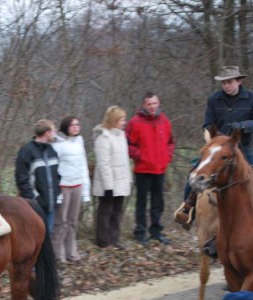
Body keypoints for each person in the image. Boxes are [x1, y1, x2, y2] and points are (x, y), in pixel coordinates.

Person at [175, 66, 253, 230]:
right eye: (224, 83)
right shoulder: (214, 99)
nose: (226, 86)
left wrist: (242, 126)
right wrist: (214, 138)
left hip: (242, 148)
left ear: (238, 81)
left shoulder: (251, 98)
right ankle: (188, 210)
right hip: (218, 147)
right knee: (195, 174)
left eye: (229, 82)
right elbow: (207, 124)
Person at [125, 92, 175, 245]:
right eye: (149, 104)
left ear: (158, 103)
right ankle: (140, 232)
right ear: (144, 105)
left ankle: (156, 231)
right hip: (143, 169)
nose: (152, 106)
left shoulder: (164, 120)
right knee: (141, 203)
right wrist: (140, 156)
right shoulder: (135, 122)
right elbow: (127, 144)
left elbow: (171, 141)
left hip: (160, 168)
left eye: (154, 103)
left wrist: (167, 156)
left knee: (158, 202)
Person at [91, 106, 132, 249]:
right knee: (105, 212)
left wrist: (127, 180)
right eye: (122, 119)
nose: (124, 122)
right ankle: (103, 241)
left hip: (120, 182)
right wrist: (109, 186)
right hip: (108, 183)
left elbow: (124, 161)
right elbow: (104, 164)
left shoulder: (120, 135)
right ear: (114, 120)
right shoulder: (103, 137)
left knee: (117, 211)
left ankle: (115, 240)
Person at [51, 116, 90, 262]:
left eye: (77, 124)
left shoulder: (79, 142)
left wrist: (85, 191)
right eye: (72, 125)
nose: (76, 127)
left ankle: (72, 253)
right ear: (66, 127)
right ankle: (58, 255)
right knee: (60, 222)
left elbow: (83, 166)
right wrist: (58, 192)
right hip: (63, 187)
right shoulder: (58, 144)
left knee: (73, 221)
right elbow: (55, 169)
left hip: (77, 186)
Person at [15, 119, 61, 234]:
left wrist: (57, 193)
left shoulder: (51, 150)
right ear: (47, 133)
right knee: (34, 237)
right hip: (34, 205)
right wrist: (33, 199)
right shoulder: (26, 151)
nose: (55, 134)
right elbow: (22, 178)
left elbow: (57, 175)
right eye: (53, 131)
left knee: (48, 235)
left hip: (50, 204)